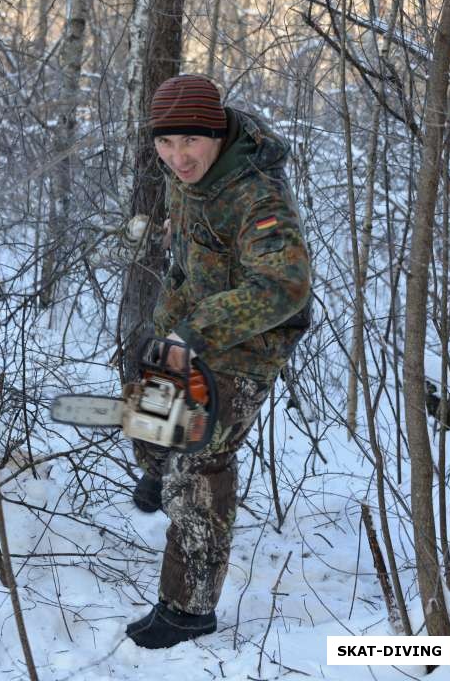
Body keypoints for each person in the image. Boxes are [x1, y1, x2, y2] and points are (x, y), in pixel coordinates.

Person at [126, 74, 312, 649]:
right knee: (151, 415)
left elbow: (286, 286)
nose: (177, 158)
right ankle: (158, 469)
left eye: (190, 143)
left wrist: (197, 329)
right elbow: (188, 257)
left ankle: (188, 611)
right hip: (191, 325)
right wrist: (168, 331)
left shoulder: (257, 194)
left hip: (248, 342)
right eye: (165, 143)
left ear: (216, 135)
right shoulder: (187, 176)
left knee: (198, 464)